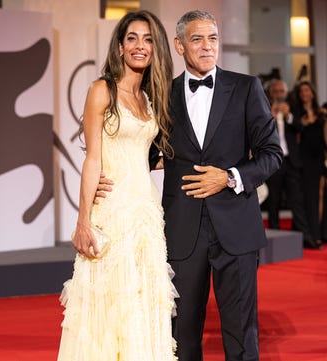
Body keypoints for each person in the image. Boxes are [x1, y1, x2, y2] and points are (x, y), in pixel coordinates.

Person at [99, 9, 282, 361]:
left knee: (242, 335)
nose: (207, 46)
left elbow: (271, 154)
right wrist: (104, 179)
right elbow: (142, 152)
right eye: (197, 39)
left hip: (236, 230)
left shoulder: (246, 88)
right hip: (181, 231)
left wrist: (230, 176)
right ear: (180, 46)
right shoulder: (161, 95)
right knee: (180, 337)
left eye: (212, 38)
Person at [57, 10, 177, 361]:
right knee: (112, 302)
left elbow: (144, 153)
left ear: (156, 48)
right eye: (132, 38)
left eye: (148, 39)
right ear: (121, 46)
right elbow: (93, 158)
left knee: (143, 299)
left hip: (147, 212)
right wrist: (83, 221)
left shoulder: (150, 97)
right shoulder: (101, 90)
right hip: (112, 211)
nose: (140, 46)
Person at [265, 79, 319, 248]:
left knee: (297, 200)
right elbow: (258, 131)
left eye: (282, 91)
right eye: (276, 91)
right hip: (273, 161)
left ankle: (306, 237)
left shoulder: (293, 108)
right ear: (271, 93)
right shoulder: (265, 108)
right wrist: (270, 117)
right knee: (274, 200)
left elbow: (301, 128)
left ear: (286, 94)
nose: (280, 94)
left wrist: (288, 116)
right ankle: (274, 237)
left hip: (291, 161)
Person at [292, 81, 325, 249]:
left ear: (312, 92)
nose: (305, 93)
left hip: (318, 158)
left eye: (307, 90)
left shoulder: (321, 113)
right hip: (304, 159)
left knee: (319, 195)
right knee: (308, 197)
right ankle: (312, 235)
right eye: (302, 91)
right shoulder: (297, 114)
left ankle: (318, 232)